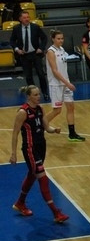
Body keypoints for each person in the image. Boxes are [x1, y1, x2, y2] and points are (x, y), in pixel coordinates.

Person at [8, 85, 70, 223]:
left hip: (42, 146)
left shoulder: (40, 109)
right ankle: (56, 213)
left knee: (32, 175)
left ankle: (20, 203)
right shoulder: (23, 112)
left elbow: (46, 127)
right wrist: (13, 153)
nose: (38, 97)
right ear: (29, 96)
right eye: (35, 95)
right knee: (42, 178)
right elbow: (15, 133)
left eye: (39, 94)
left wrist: (54, 130)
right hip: (30, 149)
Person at [45, 30, 84, 143]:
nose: (61, 40)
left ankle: (72, 134)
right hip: (56, 84)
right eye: (58, 38)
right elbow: (55, 71)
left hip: (65, 83)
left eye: (62, 38)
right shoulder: (50, 52)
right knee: (57, 111)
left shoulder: (62, 50)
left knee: (71, 107)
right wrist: (67, 83)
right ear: (53, 39)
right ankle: (39, 125)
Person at [9, 11, 49, 101]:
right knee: (28, 76)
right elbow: (12, 41)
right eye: (24, 17)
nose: (27, 19)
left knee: (41, 74)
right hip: (24, 55)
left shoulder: (35, 27)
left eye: (28, 17)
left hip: (35, 53)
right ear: (20, 19)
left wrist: (41, 48)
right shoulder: (16, 28)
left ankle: (45, 93)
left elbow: (44, 38)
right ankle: (32, 95)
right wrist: (17, 49)